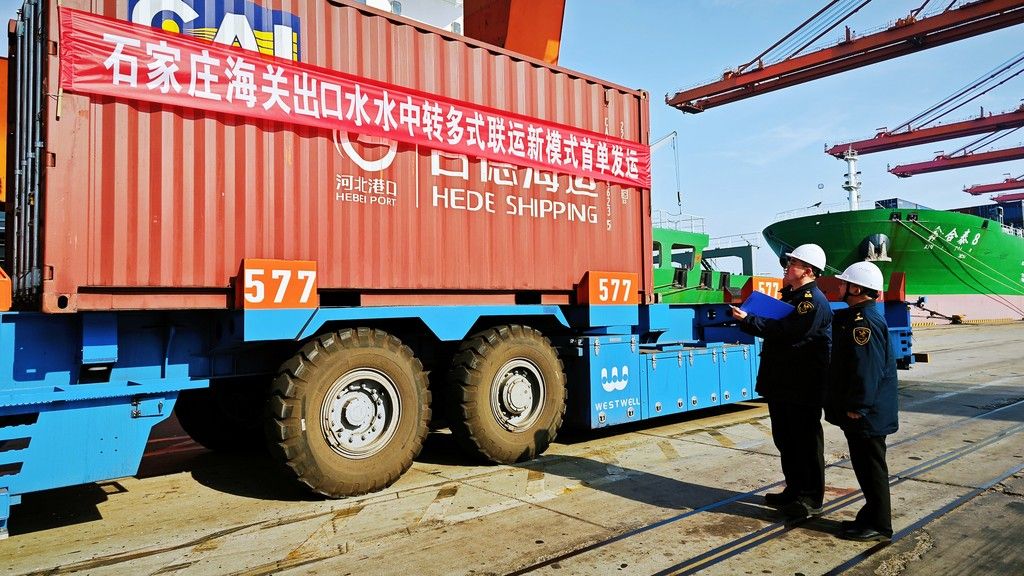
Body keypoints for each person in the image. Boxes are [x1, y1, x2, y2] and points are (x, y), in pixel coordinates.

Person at [730, 244, 832, 520]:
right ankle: (794, 489)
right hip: (784, 382)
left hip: (802, 384)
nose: (787, 267)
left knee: (805, 443)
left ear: (808, 271)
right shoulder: (793, 296)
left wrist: (749, 320)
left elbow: (789, 331)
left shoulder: (812, 301)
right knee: (786, 440)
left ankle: (810, 499)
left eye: (792, 264)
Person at [824, 261, 898, 542]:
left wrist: (858, 406)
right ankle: (869, 517)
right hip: (867, 411)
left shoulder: (863, 323)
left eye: (844, 283)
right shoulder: (859, 316)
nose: (840, 286)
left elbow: (867, 368)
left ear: (856, 289)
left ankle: (880, 525)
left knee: (871, 469)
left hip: (868, 413)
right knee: (865, 468)